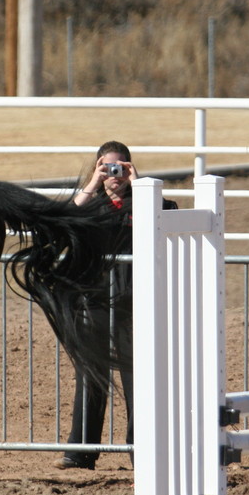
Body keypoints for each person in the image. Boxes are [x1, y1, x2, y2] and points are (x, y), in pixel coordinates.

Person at [54, 141, 176, 470]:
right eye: (107, 168)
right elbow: (65, 221)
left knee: (137, 378)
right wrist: (92, 185)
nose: (114, 174)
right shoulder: (91, 206)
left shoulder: (146, 201)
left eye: (121, 167)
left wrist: (141, 186)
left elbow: (169, 217)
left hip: (136, 302)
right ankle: (80, 451)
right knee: (90, 374)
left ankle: (143, 451)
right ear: (97, 168)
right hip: (94, 301)